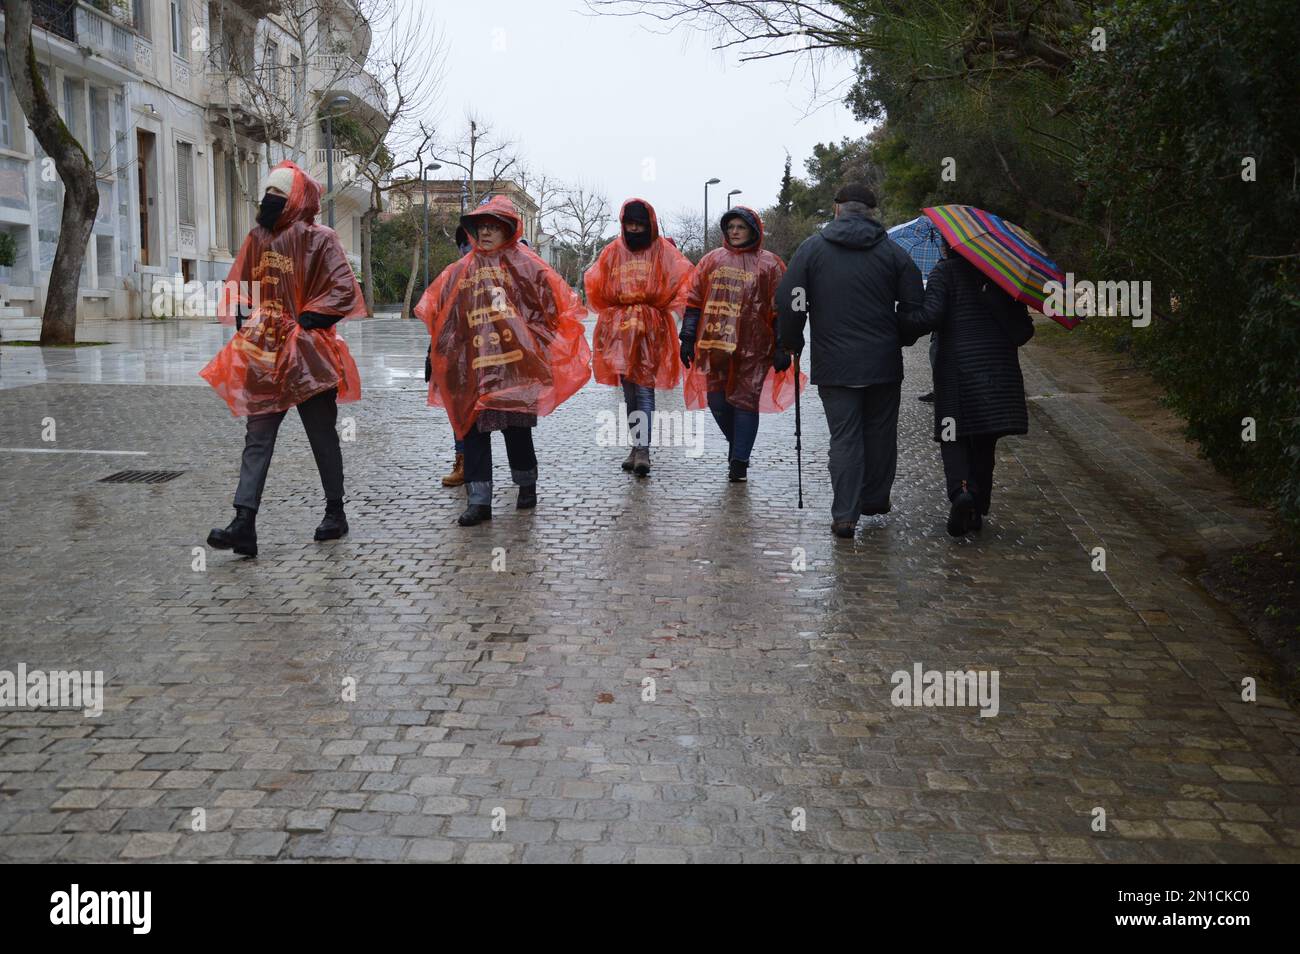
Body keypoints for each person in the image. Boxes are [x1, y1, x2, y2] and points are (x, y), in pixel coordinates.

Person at [200, 161, 364, 558]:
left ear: (295, 199)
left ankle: (335, 511)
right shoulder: (257, 237)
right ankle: (244, 522)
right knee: (257, 434)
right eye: (268, 194)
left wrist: (309, 321)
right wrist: (246, 320)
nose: (270, 200)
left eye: (279, 194)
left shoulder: (320, 238)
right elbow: (240, 283)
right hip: (266, 349)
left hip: (308, 352)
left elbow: (344, 288)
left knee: (321, 434)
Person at [415, 195, 591, 526]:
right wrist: (436, 356)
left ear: (507, 230)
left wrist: (534, 342)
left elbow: (552, 308)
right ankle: (479, 501)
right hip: (474, 370)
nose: (485, 234)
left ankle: (526, 486)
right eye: (480, 227)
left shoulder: (527, 265)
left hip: (515, 367)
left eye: (493, 227)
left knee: (516, 431)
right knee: (473, 433)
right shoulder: (458, 272)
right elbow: (445, 318)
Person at [776, 183, 923, 538]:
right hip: (883, 363)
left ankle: (845, 515)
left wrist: (791, 341)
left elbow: (789, 299)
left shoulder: (812, 250)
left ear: (836, 208)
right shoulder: (892, 252)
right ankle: (873, 498)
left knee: (844, 438)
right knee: (880, 433)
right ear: (871, 211)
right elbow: (916, 307)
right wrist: (901, 336)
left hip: (834, 364)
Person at [899, 239, 1034, 536]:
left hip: (957, 370)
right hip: (999, 370)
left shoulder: (944, 272)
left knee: (953, 434)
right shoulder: (1004, 275)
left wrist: (900, 321)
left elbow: (930, 316)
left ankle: (961, 492)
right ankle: (976, 506)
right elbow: (1024, 331)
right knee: (985, 438)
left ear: (948, 247)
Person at [679, 206, 799, 482]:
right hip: (715, 343)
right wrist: (687, 337)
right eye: (730, 227)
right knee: (718, 401)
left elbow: (780, 309)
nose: (734, 232)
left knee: (745, 402)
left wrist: (782, 346)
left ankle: (739, 462)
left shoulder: (770, 264)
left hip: (754, 347)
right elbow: (695, 301)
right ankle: (738, 447)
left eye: (740, 227)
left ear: (753, 230)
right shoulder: (711, 260)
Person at [585, 198, 693, 476]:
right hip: (620, 330)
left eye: (639, 224)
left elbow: (685, 282)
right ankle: (636, 446)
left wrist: (669, 316)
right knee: (628, 389)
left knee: (644, 386)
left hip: (650, 329)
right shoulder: (612, 251)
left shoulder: (663, 251)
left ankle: (643, 449)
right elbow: (596, 286)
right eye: (629, 224)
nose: (634, 229)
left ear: (649, 225)